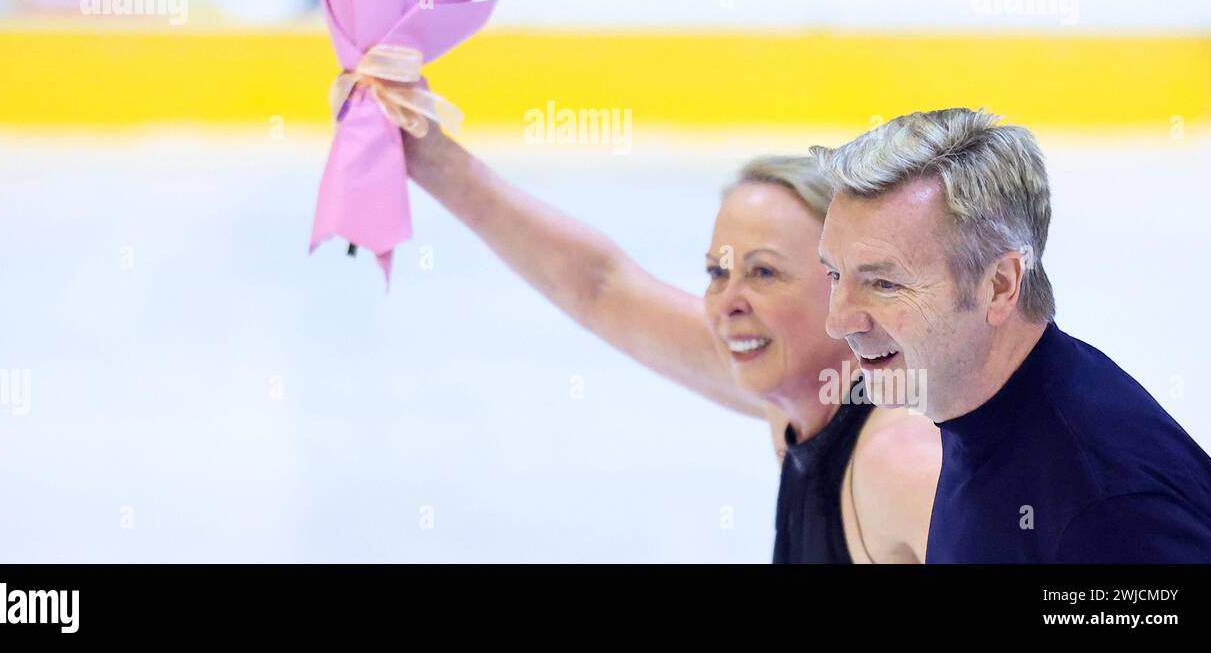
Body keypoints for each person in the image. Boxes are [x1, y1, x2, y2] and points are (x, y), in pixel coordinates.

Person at [402, 124, 939, 562]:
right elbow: (602, 290)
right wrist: (428, 157)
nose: (727, 302)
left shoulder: (897, 460)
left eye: (764, 273)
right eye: (716, 272)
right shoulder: (805, 401)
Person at [811, 107, 1211, 562]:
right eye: (835, 275)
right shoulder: (973, 402)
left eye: (885, 283)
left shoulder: (1106, 513)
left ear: (1000, 285)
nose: (840, 320)